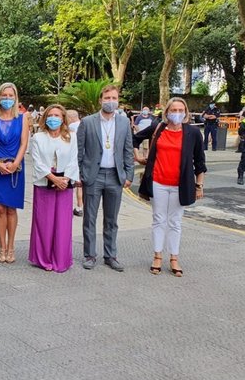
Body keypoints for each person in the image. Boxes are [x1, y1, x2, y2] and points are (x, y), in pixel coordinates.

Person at [133, 98, 206, 277]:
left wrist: (199, 185)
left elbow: (200, 162)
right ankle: (157, 255)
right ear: (166, 112)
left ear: (186, 112)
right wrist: (138, 156)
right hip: (158, 181)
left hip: (180, 184)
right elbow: (134, 138)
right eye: (173, 109)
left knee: (175, 221)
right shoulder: (158, 128)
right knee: (158, 219)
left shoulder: (193, 132)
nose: (177, 113)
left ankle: (174, 257)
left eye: (181, 109)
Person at [77, 84, 134, 271]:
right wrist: (80, 174)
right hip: (94, 175)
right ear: (100, 100)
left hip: (115, 176)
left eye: (114, 98)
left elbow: (127, 150)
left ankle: (110, 255)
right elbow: (79, 151)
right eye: (107, 98)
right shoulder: (87, 122)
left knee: (112, 219)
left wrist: (129, 174)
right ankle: (89, 255)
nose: (111, 102)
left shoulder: (124, 123)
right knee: (90, 218)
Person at [29, 105, 80, 272]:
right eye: (50, 115)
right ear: (45, 118)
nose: (53, 118)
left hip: (64, 185)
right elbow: (37, 162)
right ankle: (43, 259)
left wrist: (64, 180)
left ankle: (61, 259)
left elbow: (74, 160)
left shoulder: (71, 137)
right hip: (45, 184)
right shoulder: (38, 137)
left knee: (62, 224)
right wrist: (52, 178)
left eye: (57, 115)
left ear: (63, 118)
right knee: (45, 222)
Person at [0, 82, 30, 264]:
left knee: (11, 208)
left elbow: (24, 143)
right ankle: (1, 246)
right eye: (4, 96)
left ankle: (11, 247)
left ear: (16, 98)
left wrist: (15, 163)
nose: (7, 99)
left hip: (15, 168)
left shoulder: (23, 118)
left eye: (11, 96)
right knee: (0, 208)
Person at [66, 109, 84, 217]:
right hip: (86, 158)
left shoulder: (72, 127)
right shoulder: (84, 125)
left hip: (75, 158)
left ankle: (79, 206)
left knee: (78, 184)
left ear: (71, 118)